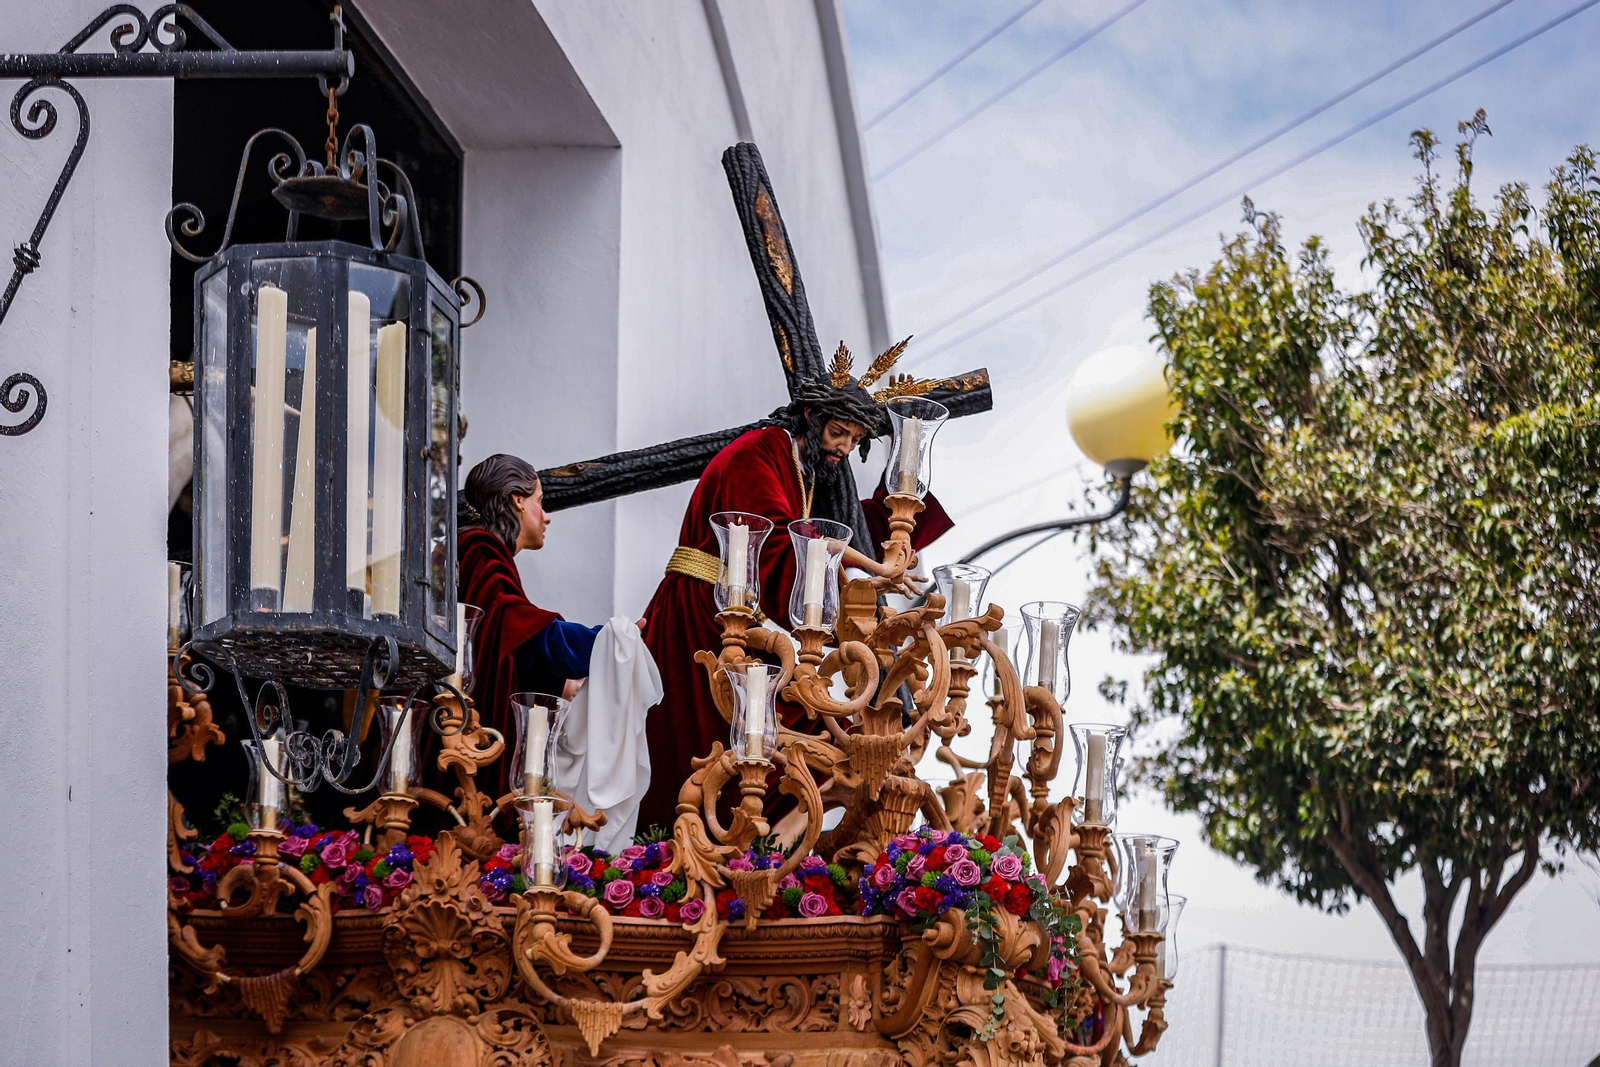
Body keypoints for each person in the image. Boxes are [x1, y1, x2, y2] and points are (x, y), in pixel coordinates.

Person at [635, 346, 954, 831]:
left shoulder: (799, 466)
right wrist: (873, 566)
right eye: (837, 432)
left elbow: (827, 529)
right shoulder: (758, 452)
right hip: (703, 612)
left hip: (734, 613)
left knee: (805, 736)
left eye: (855, 439)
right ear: (811, 415)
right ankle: (696, 845)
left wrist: (899, 515)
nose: (843, 447)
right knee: (733, 739)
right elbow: (787, 540)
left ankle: (758, 846)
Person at [454, 454, 605, 796]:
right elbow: (512, 621)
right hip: (454, 724)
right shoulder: (478, 549)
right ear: (517, 501)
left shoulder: (480, 552)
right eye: (540, 501)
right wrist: (605, 641)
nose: (546, 516)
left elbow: (502, 642)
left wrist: (559, 678)